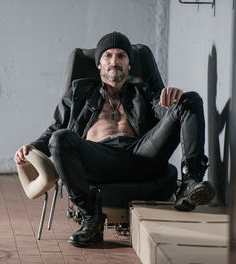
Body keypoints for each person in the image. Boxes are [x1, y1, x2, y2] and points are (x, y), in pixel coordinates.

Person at [14, 32, 215, 247]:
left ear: (129, 65)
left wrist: (174, 99)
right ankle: (91, 217)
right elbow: (57, 127)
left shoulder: (144, 90)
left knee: (190, 99)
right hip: (99, 157)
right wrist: (32, 147)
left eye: (121, 56)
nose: (114, 61)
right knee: (59, 138)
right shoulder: (79, 91)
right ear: (99, 64)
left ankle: (190, 181)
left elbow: (164, 111)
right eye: (108, 56)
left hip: (142, 154)